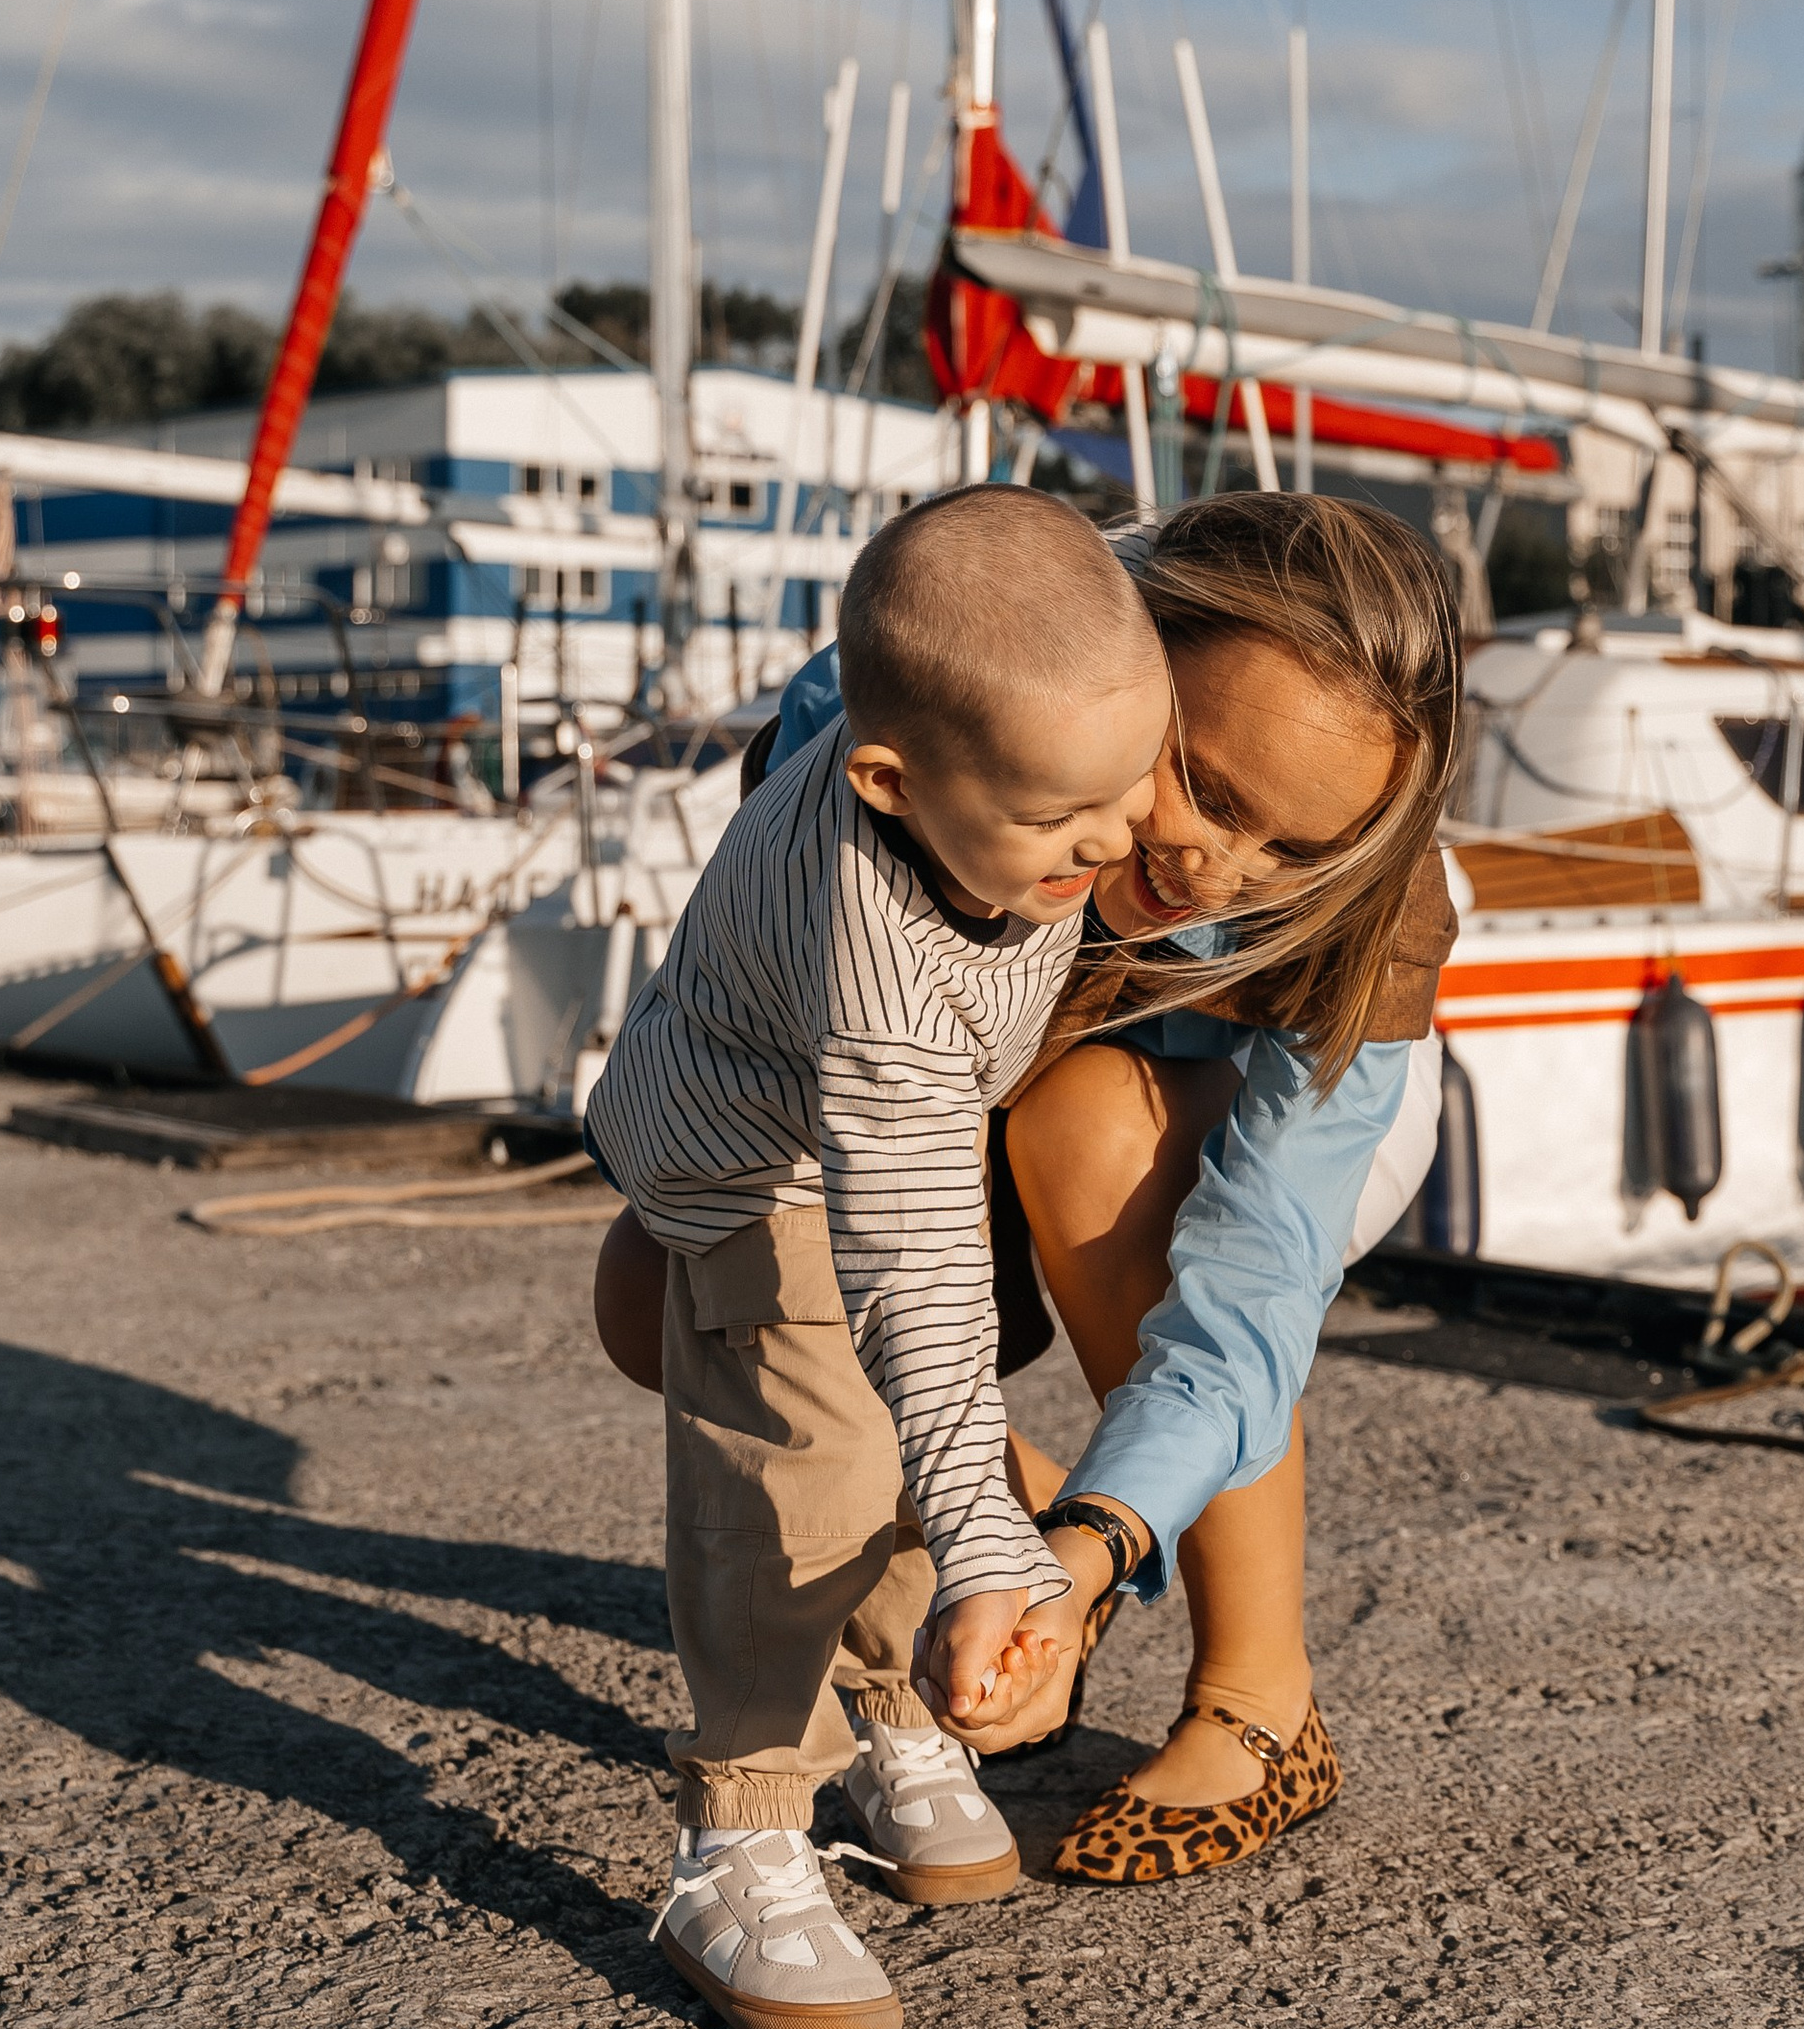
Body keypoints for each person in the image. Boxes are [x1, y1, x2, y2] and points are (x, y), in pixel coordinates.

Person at [595, 488, 1464, 1908]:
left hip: (1196, 1112)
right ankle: (1010, 1521)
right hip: (945, 1075)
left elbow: (1253, 1287)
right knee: (657, 1303)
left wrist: (1103, 1540)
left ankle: (1261, 1701)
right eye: (1209, 787)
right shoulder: (903, 709)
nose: (1217, 873)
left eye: (1293, 847)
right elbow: (786, 1048)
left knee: (1091, 1138)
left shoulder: (1366, 906)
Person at [580, 483, 1170, 2029]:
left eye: (1134, 784)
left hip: (868, 1141)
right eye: (1061, 822)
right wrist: (1000, 1555)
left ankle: (896, 1715)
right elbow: (916, 1275)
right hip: (745, 1156)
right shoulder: (881, 959)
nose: (1113, 842)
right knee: (804, 1463)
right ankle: (740, 1832)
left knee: (912, 1423)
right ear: (892, 782)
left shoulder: (1023, 793)